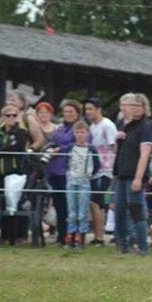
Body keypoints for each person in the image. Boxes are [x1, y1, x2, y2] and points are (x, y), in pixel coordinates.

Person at [112, 93, 152, 255]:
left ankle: (143, 247)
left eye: (138, 105)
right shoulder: (127, 126)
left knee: (136, 211)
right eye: (133, 105)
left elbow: (145, 154)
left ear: (144, 108)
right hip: (121, 174)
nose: (134, 108)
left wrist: (138, 178)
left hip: (133, 176)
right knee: (119, 211)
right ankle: (122, 245)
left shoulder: (146, 126)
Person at [46, 99, 85, 245]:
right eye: (66, 111)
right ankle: (61, 236)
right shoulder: (60, 128)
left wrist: (60, 149)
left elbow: (81, 144)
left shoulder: (81, 127)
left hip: (70, 171)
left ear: (77, 113)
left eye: (71, 112)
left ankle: (73, 237)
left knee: (71, 207)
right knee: (59, 206)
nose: (67, 114)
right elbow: (54, 141)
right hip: (55, 170)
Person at [0, 105, 30, 244]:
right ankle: (4, 235)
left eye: (14, 115)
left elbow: (18, 148)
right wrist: (4, 150)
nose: (11, 118)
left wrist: (1, 150)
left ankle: (19, 236)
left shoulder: (21, 132)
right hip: (0, 173)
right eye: (8, 115)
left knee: (16, 203)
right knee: (2, 203)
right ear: (3, 117)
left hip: (16, 173)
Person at [84, 97, 117, 245]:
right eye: (86, 109)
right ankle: (98, 236)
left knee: (96, 202)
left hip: (106, 170)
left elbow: (114, 146)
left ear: (99, 110)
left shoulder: (107, 125)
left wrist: (114, 169)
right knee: (96, 203)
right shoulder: (91, 127)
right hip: (94, 170)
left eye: (90, 109)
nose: (88, 112)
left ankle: (99, 237)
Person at [64, 121, 100, 249]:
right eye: (77, 132)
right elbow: (65, 161)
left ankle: (81, 237)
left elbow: (97, 164)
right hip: (71, 180)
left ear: (87, 133)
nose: (80, 135)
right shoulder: (70, 148)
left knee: (82, 212)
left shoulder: (91, 149)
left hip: (84, 181)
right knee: (72, 211)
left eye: (82, 132)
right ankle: (71, 237)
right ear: (74, 133)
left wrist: (89, 174)